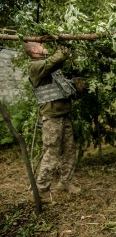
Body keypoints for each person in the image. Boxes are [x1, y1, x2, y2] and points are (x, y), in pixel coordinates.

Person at [24, 42, 81, 200]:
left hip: (63, 114)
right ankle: (42, 189)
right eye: (40, 44)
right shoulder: (35, 67)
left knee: (69, 150)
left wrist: (74, 85)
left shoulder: (47, 67)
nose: (43, 45)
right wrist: (64, 47)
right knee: (51, 153)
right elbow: (54, 61)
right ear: (34, 50)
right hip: (51, 117)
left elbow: (58, 85)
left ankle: (65, 181)